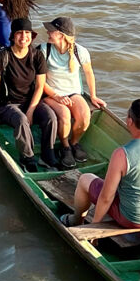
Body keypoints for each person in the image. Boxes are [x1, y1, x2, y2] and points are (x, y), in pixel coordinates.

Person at [63, 98, 140, 229]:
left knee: (85, 179)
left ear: (129, 121)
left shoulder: (121, 154)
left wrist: (94, 227)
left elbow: (106, 197)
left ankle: (75, 220)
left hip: (134, 219)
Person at [0, 17, 57, 173]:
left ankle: (47, 156)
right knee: (21, 120)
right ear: (13, 36)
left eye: (27, 33)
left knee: (51, 117)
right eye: (19, 33)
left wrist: (31, 111)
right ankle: (27, 158)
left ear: (32, 36)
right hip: (8, 105)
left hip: (31, 102)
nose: (24, 37)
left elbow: (40, 86)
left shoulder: (36, 56)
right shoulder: (3, 56)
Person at [40, 16, 106, 169]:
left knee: (84, 118)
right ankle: (65, 147)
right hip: (51, 94)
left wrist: (93, 96)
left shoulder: (80, 51)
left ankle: (74, 142)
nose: (47, 32)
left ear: (61, 35)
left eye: (51, 30)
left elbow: (89, 73)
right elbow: (40, 82)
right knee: (64, 116)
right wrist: (57, 96)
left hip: (74, 93)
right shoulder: (44, 50)